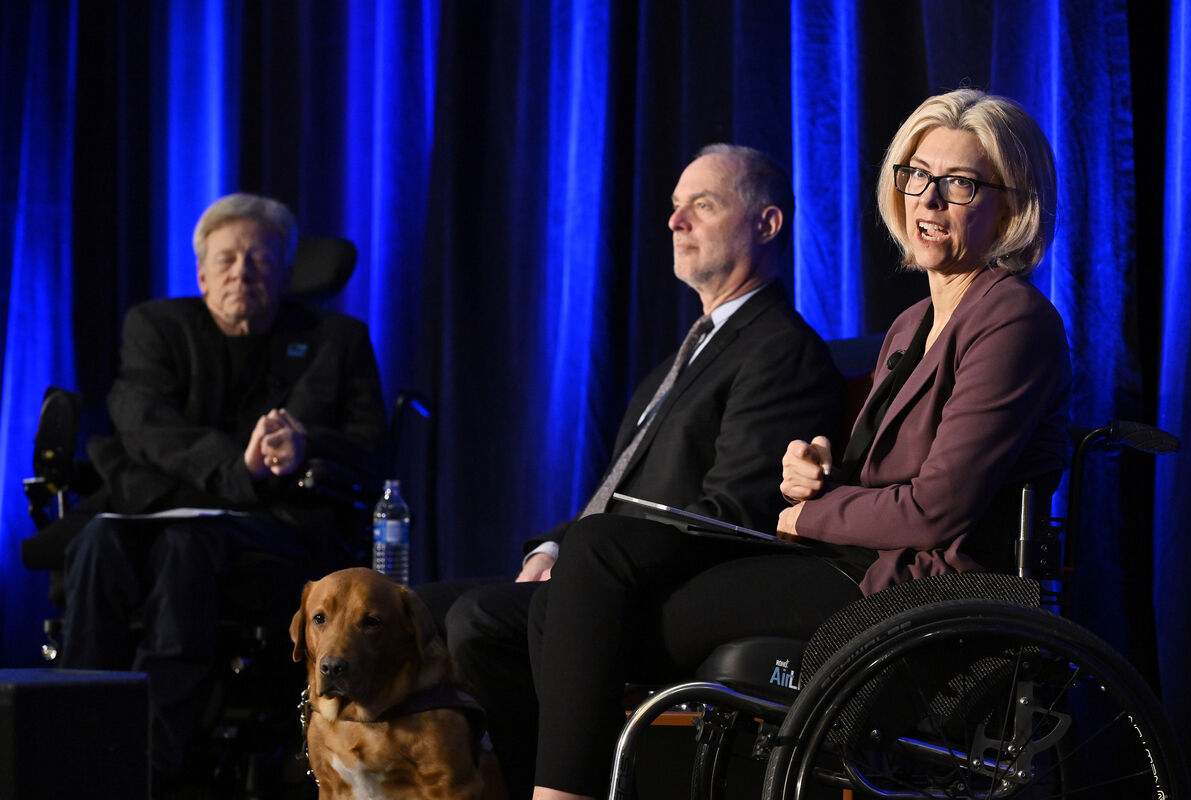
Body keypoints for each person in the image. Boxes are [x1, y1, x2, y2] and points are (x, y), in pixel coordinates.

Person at [528, 89, 1071, 800]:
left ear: (1014, 204)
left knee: (597, 582)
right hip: (856, 563)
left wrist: (809, 515)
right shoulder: (911, 325)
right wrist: (814, 470)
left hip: (923, 590)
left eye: (959, 184)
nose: (928, 200)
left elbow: (939, 506)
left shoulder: (1014, 320)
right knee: (578, 580)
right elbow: (872, 474)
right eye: (915, 175)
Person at [414, 144, 845, 797]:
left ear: (768, 224)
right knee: (407, 610)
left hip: (665, 582)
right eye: (674, 208)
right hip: (602, 569)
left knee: (480, 619)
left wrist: (591, 555)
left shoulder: (780, 350)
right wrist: (559, 545)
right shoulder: (679, 361)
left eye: (702, 205)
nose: (675, 223)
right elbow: (618, 496)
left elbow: (738, 513)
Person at [54, 193, 386, 786]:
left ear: (285, 272)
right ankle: (71, 746)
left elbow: (370, 447)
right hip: (155, 509)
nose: (242, 273)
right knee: (100, 540)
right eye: (228, 260)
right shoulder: (155, 327)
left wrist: (307, 447)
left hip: (278, 526)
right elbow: (144, 426)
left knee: (186, 547)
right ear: (202, 273)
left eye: (259, 260)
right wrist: (241, 465)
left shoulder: (336, 340)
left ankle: (156, 765)